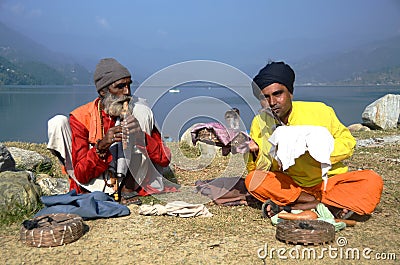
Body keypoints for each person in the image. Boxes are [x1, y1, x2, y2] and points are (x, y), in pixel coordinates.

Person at [245, 61, 383, 220]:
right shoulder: (260, 123)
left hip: (328, 182)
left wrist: (316, 151)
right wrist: (254, 153)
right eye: (265, 97)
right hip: (292, 186)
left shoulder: (320, 111)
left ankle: (295, 207)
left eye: (277, 94)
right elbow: (260, 171)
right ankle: (324, 206)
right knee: (253, 180)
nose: (272, 102)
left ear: (290, 93)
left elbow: (348, 142)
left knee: (371, 180)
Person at [47, 58, 176, 202]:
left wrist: (141, 137)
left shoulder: (137, 110)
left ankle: (129, 187)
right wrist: (101, 146)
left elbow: (164, 159)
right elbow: (82, 174)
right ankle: (96, 190)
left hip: (132, 178)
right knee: (57, 122)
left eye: (128, 85)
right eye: (120, 86)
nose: (126, 92)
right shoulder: (82, 117)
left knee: (142, 110)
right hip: (92, 180)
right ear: (103, 91)